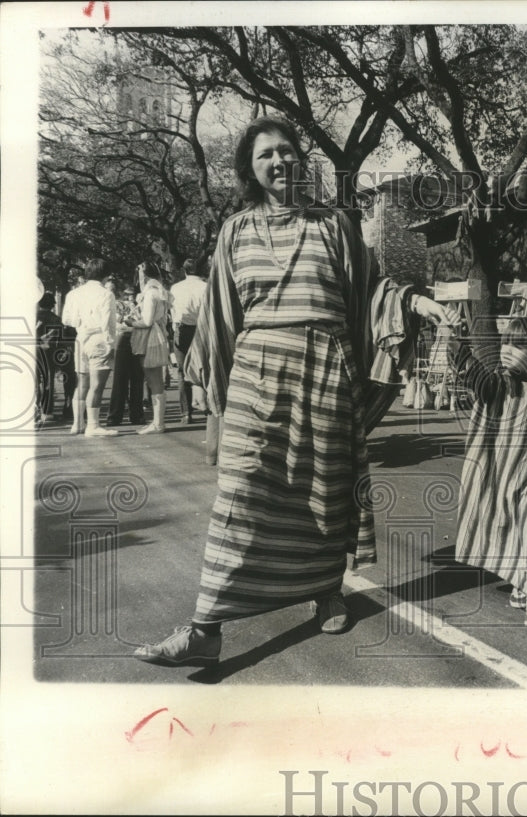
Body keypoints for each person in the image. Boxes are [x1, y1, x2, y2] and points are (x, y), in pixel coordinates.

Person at [134, 116, 455, 666]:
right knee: (240, 498)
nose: (279, 162)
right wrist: (217, 412)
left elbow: (373, 287)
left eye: (287, 152)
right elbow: (219, 321)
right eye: (266, 156)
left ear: (301, 160)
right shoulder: (233, 231)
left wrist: (413, 302)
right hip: (257, 381)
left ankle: (327, 589)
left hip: (326, 375)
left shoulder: (334, 224)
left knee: (325, 491)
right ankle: (205, 628)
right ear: (250, 169)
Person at [451, 317, 527, 627]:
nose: (507, 350)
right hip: (500, 475)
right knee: (508, 531)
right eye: (505, 342)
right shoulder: (499, 384)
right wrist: (458, 344)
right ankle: (522, 585)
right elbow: (478, 378)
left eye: (518, 346)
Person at [60, 259, 119, 437]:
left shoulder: (74, 293)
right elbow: (108, 322)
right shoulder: (106, 294)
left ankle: (78, 423)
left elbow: (66, 319)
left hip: (81, 339)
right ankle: (93, 425)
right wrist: (111, 343)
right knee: (97, 385)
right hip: (99, 339)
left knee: (82, 383)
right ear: (105, 274)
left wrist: (80, 321)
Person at [126, 260, 172, 435]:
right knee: (154, 379)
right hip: (154, 334)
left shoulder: (151, 293)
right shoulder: (157, 291)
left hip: (150, 337)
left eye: (140, 273)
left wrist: (130, 321)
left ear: (145, 275)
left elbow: (146, 321)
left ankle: (158, 423)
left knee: (154, 380)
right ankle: (157, 421)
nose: (138, 276)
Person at [169, 257, 208, 423]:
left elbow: (172, 311)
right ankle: (206, 404)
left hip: (182, 328)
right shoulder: (207, 287)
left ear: (184, 271)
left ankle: (186, 412)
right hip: (202, 328)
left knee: (182, 370)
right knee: (205, 366)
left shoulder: (175, 288)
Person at [107, 285, 146, 426]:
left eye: (132, 294)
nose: (130, 297)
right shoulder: (118, 305)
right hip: (123, 339)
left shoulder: (142, 304)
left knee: (137, 379)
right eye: (127, 294)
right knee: (119, 379)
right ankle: (114, 416)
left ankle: (137, 415)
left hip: (137, 338)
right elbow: (116, 323)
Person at [35, 292, 63, 424]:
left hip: (33, 351)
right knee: (48, 381)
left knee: (34, 381)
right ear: (52, 304)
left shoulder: (32, 317)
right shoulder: (56, 319)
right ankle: (47, 412)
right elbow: (58, 340)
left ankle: (34, 409)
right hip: (48, 352)